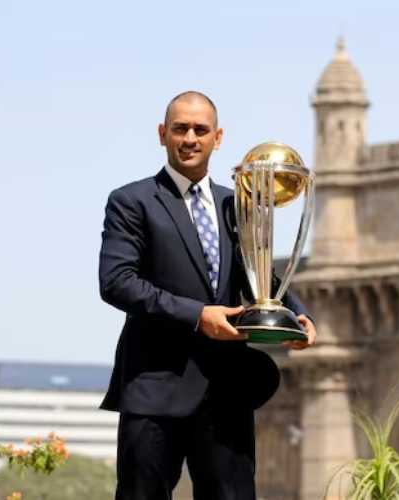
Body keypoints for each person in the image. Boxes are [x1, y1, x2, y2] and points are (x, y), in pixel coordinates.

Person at [98, 90, 316, 500]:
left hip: (226, 394)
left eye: (201, 129)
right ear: (163, 134)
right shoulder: (132, 202)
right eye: (180, 129)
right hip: (155, 390)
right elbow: (117, 281)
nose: (190, 138)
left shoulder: (239, 203)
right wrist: (200, 315)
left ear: (218, 137)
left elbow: (259, 272)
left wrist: (297, 314)